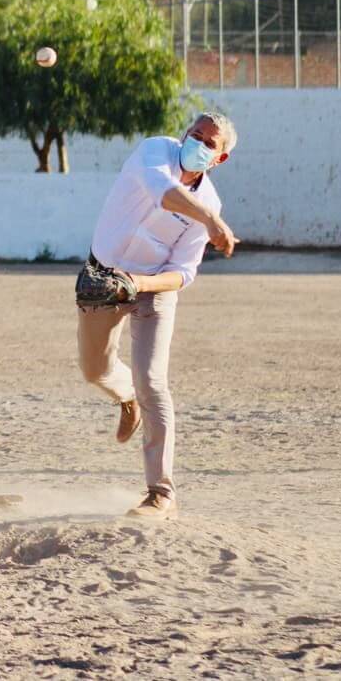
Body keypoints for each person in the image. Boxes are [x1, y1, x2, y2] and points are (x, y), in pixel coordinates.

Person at [77, 112, 238, 520]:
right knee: (94, 369)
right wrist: (211, 219)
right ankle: (125, 396)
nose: (197, 143)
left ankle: (161, 493)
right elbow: (163, 193)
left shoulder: (210, 201)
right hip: (104, 275)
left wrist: (140, 285)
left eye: (209, 143)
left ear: (220, 159)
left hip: (153, 288)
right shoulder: (155, 151)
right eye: (195, 134)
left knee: (152, 381)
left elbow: (183, 273)